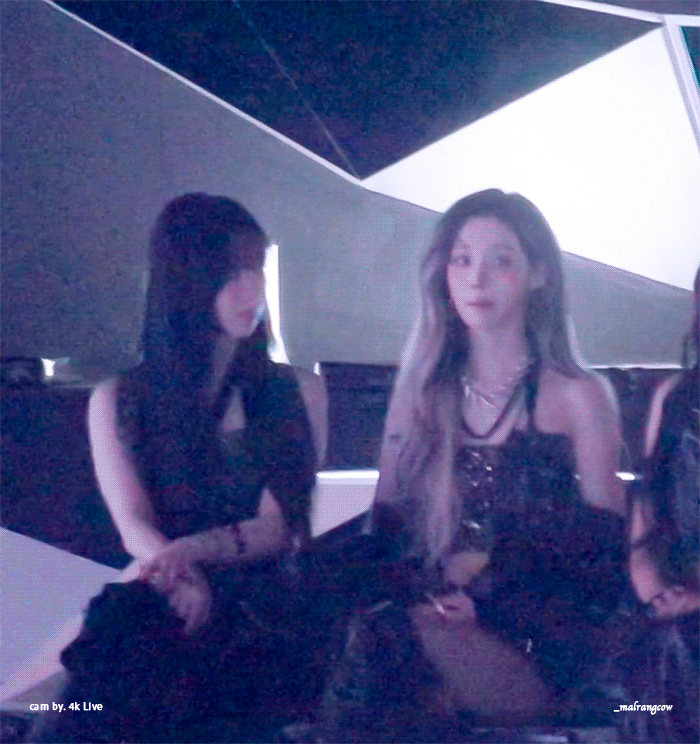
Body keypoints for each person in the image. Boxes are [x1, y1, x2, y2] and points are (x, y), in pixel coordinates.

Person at [321, 189, 627, 740]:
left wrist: (489, 593)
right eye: (461, 260)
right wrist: (431, 591)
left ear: (538, 274)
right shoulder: (419, 392)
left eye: (499, 260)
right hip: (425, 615)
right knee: (350, 619)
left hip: (537, 638)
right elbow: (385, 529)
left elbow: (604, 558)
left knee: (384, 644)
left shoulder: (578, 395)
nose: (476, 279)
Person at [33, 194, 328, 743]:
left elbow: (277, 525)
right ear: (188, 280)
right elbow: (134, 524)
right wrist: (182, 576)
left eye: (257, 269)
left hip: (262, 598)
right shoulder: (118, 400)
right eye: (233, 274)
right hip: (164, 586)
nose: (253, 290)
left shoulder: (295, 392)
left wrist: (189, 555)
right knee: (118, 647)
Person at [620, 267, 699, 743]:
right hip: (676, 612)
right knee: (650, 678)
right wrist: (657, 594)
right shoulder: (675, 399)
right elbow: (644, 519)